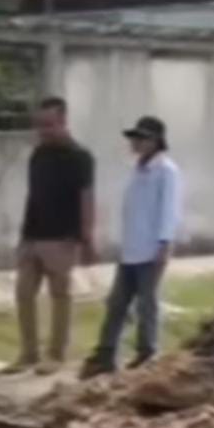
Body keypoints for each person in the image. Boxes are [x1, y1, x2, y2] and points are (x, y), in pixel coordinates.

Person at [82, 115, 181, 377]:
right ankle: (106, 353)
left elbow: (168, 210)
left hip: (151, 248)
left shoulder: (166, 170)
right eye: (134, 138)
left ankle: (147, 352)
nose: (136, 143)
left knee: (147, 304)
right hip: (131, 248)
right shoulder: (137, 168)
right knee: (117, 302)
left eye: (142, 138)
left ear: (156, 141)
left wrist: (164, 243)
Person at [13, 96, 96, 374]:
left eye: (48, 124)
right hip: (32, 235)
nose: (42, 130)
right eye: (38, 125)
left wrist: (86, 238)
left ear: (63, 121)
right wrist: (24, 235)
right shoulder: (38, 154)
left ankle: (56, 354)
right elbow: (33, 195)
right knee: (24, 293)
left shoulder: (80, 157)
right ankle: (28, 353)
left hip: (62, 237)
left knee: (60, 295)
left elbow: (86, 199)